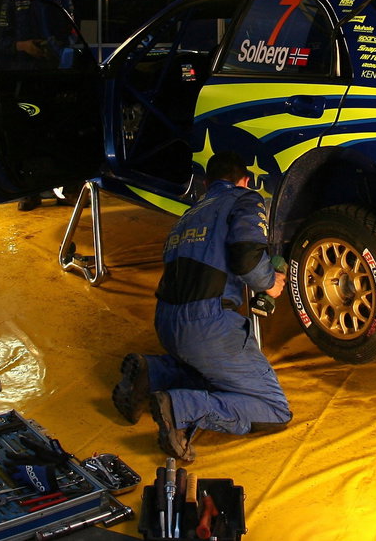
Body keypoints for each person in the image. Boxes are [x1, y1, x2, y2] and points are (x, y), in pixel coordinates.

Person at [110, 151, 290, 462]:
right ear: (246, 180)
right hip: (209, 326)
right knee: (273, 408)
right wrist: (269, 282)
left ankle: (153, 373)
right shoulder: (245, 199)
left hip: (167, 322)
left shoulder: (190, 214)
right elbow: (247, 258)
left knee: (216, 376)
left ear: (207, 183)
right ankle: (181, 408)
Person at [4, 0, 76, 210]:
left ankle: (66, 190)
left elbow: (72, 30)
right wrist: (22, 46)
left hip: (57, 75)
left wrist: (57, 50)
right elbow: (0, 38)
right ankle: (30, 192)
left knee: (61, 130)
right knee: (27, 132)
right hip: (24, 77)